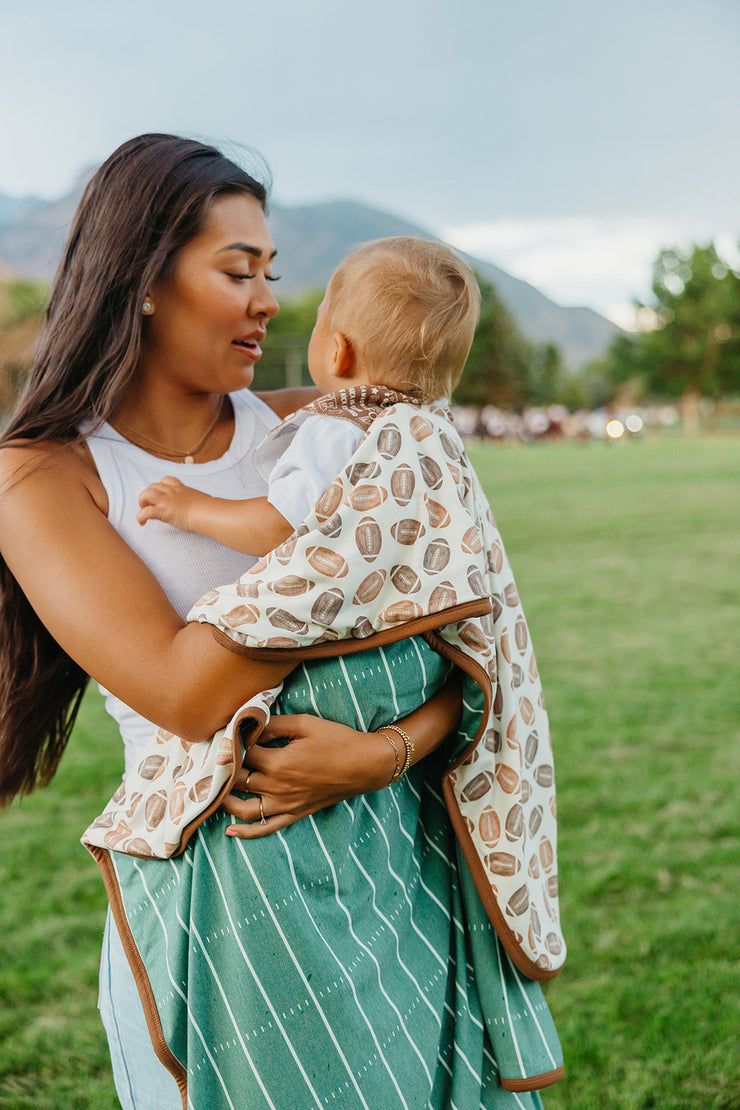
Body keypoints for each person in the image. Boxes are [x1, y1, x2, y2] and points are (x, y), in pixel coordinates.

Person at [0, 135, 563, 1110]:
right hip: (229, 903)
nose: (268, 299)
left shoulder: (334, 426)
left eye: (270, 271)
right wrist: (348, 559)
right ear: (139, 280)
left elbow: (473, 641)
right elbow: (184, 693)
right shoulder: (45, 478)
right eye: (237, 270)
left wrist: (382, 752)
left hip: (391, 868)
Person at [134, 237, 472, 560]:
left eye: (317, 322)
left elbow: (279, 526)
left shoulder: (338, 429)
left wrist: (194, 508)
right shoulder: (428, 433)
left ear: (338, 353)